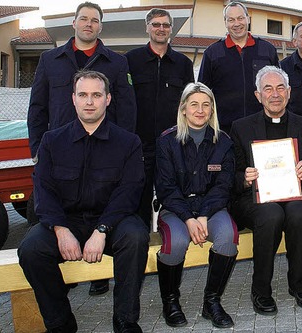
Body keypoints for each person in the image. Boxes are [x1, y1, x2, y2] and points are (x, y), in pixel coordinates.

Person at [18, 70, 148, 333]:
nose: (90, 101)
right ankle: (61, 323)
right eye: (83, 95)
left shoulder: (128, 142)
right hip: (66, 222)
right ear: (73, 99)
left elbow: (129, 192)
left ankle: (125, 320)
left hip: (112, 221)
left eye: (96, 95)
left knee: (136, 238)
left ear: (108, 99)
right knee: (31, 250)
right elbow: (43, 190)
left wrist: (102, 230)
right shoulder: (52, 141)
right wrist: (60, 229)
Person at [27, 1, 136, 295]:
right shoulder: (50, 60)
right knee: (51, 222)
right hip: (60, 153)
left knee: (104, 211)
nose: (89, 24)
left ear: (101, 26)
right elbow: (37, 107)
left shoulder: (116, 62)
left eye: (95, 20)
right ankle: (65, 275)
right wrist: (37, 149)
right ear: (74, 23)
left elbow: (126, 110)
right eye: (83, 19)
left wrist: (123, 149)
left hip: (105, 153)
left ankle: (99, 275)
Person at [229, 66, 302, 316]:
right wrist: (243, 178)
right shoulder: (240, 128)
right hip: (254, 200)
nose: (274, 94)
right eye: (268, 88)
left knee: (299, 212)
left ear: (288, 92)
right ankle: (261, 289)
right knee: (271, 214)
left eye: (280, 88)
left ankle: (299, 284)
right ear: (257, 95)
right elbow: (229, 175)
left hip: (295, 196)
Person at [154, 82, 237, 328]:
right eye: (194, 105)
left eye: (206, 105)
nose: (200, 110)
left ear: (212, 110)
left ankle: (211, 302)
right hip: (176, 209)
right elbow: (166, 188)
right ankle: (170, 301)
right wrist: (189, 218)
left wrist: (202, 215)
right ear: (183, 109)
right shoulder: (167, 141)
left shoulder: (223, 142)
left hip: (210, 208)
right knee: (175, 242)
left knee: (228, 237)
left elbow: (223, 185)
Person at [125, 8, 195, 229]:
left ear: (171, 29)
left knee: (174, 198)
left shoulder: (183, 64)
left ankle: (173, 248)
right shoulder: (130, 61)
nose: (161, 29)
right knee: (139, 199)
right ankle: (141, 245)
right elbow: (123, 102)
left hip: (174, 145)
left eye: (165, 25)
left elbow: (189, 105)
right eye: (156, 24)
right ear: (147, 27)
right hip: (140, 145)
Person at [198, 1, 279, 133]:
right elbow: (202, 92)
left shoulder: (267, 50)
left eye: (240, 18)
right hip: (225, 130)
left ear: (248, 18)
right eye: (231, 20)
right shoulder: (212, 53)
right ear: (225, 23)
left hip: (263, 127)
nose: (236, 24)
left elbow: (279, 87)